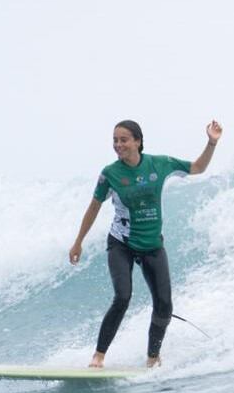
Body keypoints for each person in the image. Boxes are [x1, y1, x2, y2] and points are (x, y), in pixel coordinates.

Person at [68, 119, 223, 368]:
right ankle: (98, 356)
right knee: (123, 297)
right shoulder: (110, 173)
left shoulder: (159, 164)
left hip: (152, 244)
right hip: (122, 243)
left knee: (164, 304)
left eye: (124, 139)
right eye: (115, 140)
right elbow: (94, 206)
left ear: (138, 141)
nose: (118, 145)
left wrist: (211, 142)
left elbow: (197, 167)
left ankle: (152, 358)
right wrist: (78, 242)